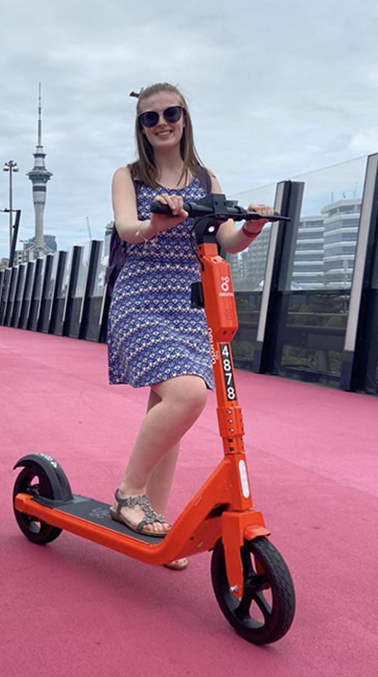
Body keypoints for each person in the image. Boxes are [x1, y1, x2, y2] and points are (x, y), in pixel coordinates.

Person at [107, 82, 274, 571]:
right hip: (140, 300)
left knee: (170, 410)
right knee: (188, 396)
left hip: (189, 305)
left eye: (170, 113)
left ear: (184, 118)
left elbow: (225, 238)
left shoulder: (205, 178)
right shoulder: (128, 177)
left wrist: (250, 226)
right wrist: (156, 223)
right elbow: (127, 229)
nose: (162, 123)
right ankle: (129, 494)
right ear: (141, 127)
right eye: (150, 117)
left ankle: (154, 518)